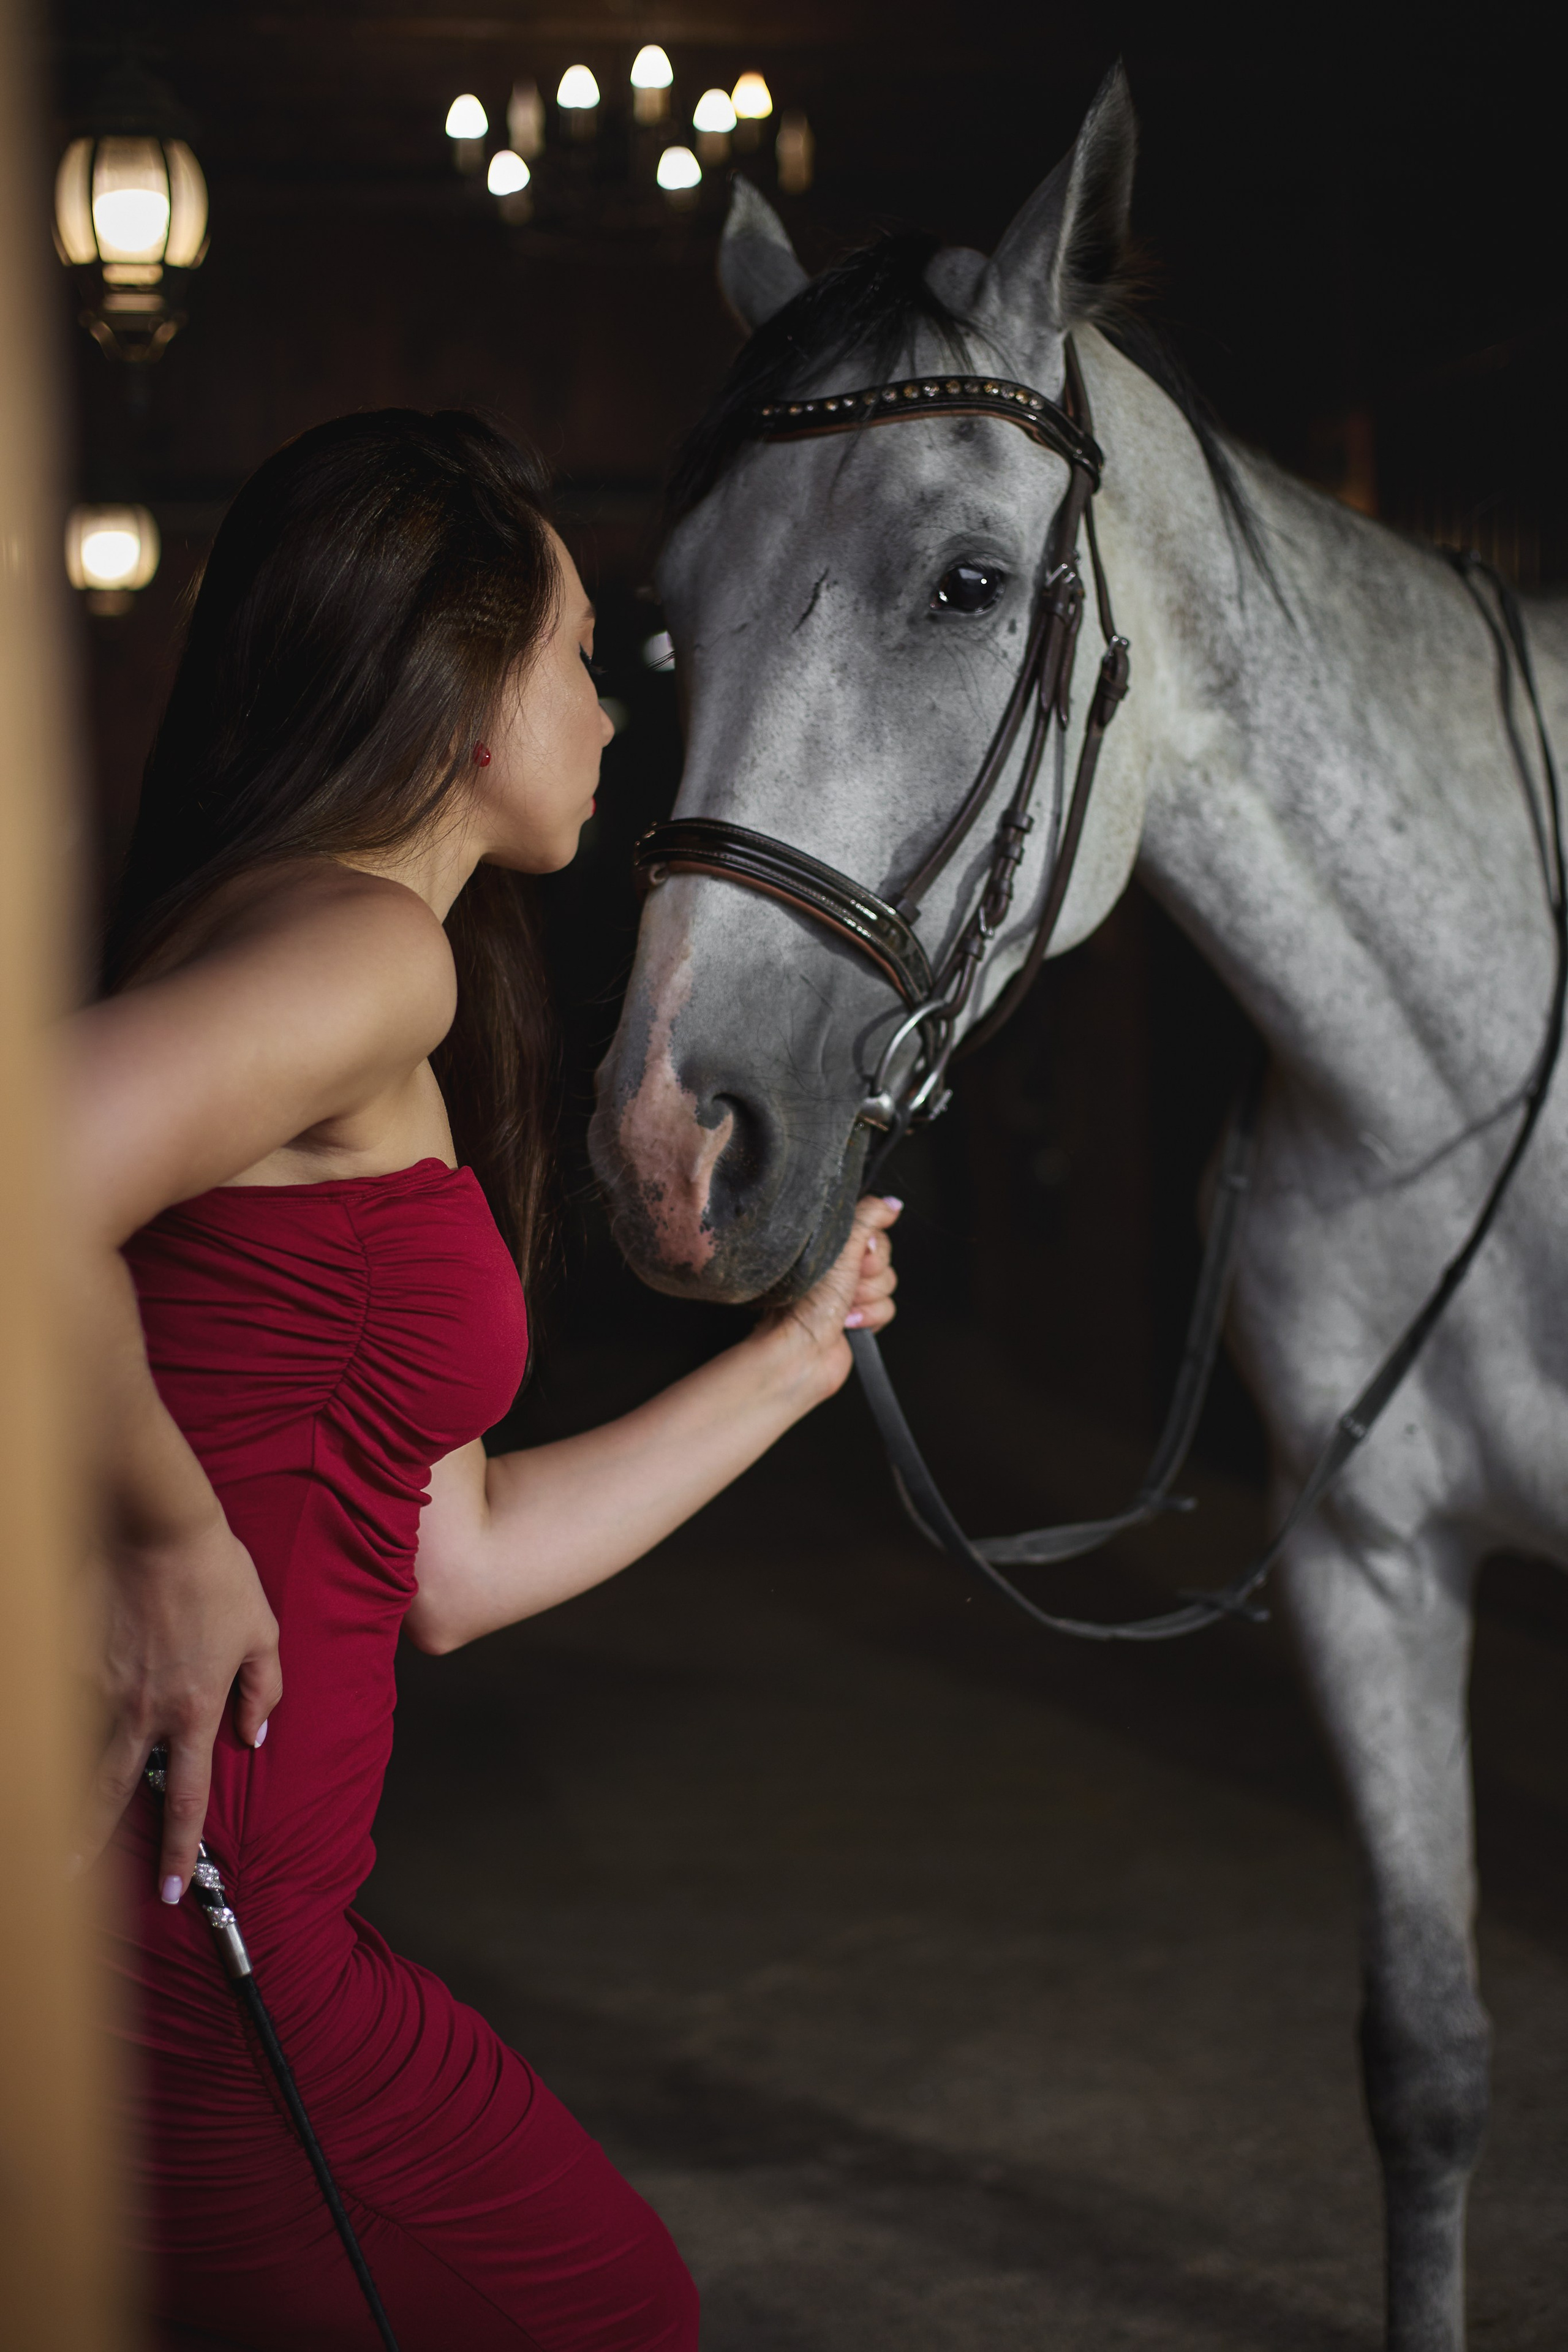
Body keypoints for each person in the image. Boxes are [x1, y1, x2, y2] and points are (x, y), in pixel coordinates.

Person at [65, 409, 900, 2351]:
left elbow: (454, 1558)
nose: (613, 718)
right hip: (197, 1936)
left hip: (246, 1923)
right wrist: (165, 1532)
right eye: (579, 657)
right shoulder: (367, 952)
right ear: (461, 701)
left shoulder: (347, 973)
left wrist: (793, 1360)